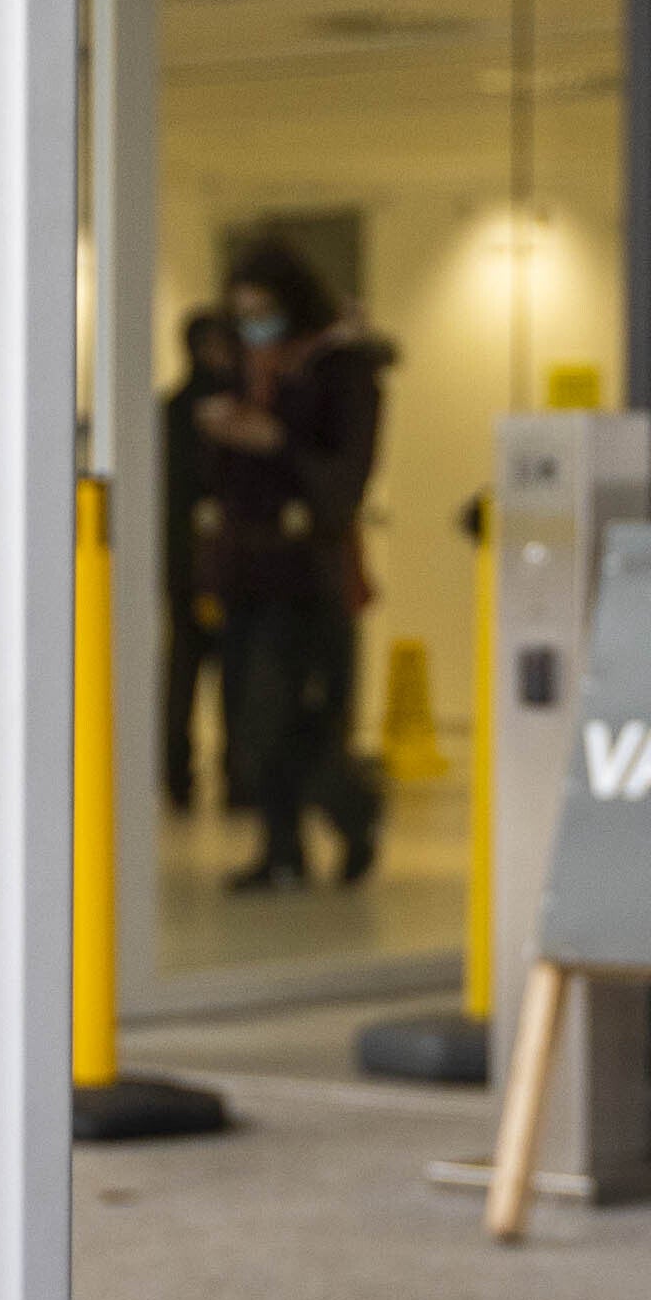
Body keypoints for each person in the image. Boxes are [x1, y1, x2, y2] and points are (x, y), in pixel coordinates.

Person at [189, 241, 391, 891]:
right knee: (250, 719)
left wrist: (274, 441)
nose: (256, 328)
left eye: (266, 312)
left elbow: (344, 479)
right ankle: (281, 851)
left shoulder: (340, 372)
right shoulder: (243, 369)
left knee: (298, 721)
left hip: (309, 573)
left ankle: (355, 815)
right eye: (244, 314)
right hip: (246, 570)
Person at [156, 307, 236, 815]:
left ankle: (194, 777)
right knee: (203, 673)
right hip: (204, 564)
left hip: (203, 563)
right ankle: (202, 777)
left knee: (200, 673)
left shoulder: (174, 409)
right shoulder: (197, 411)